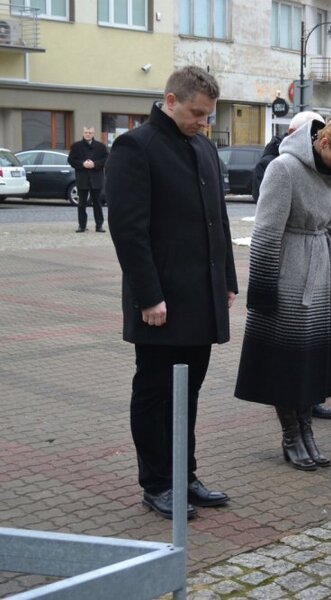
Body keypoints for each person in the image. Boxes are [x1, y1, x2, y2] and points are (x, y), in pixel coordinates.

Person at [106, 66, 238, 520]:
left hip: (202, 296)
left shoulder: (202, 146)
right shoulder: (135, 147)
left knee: (189, 392)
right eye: (196, 113)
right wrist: (148, 296)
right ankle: (158, 483)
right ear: (170, 100)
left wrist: (228, 281)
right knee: (155, 392)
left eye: (207, 115)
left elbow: (217, 220)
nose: (202, 122)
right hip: (160, 302)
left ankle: (186, 474)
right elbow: (128, 231)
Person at [234, 117, 331, 471]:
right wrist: (262, 290)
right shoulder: (283, 168)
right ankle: (291, 434)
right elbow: (264, 234)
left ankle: (307, 430)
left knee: (313, 360)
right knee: (287, 360)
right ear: (323, 143)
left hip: (321, 274)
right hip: (288, 274)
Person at [252, 111, 323, 202]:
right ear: (292, 133)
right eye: (314, 135)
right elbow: (268, 206)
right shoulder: (270, 164)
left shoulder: (319, 160)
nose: (318, 142)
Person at [68, 126, 109, 232]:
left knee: (97, 203)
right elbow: (71, 160)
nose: (88, 134)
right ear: (83, 133)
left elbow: (106, 159)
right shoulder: (76, 146)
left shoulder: (101, 147)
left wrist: (94, 164)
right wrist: (82, 164)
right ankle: (82, 225)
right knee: (81, 203)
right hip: (82, 178)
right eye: (86, 132)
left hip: (96, 178)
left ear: (93, 133)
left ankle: (99, 225)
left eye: (90, 132)